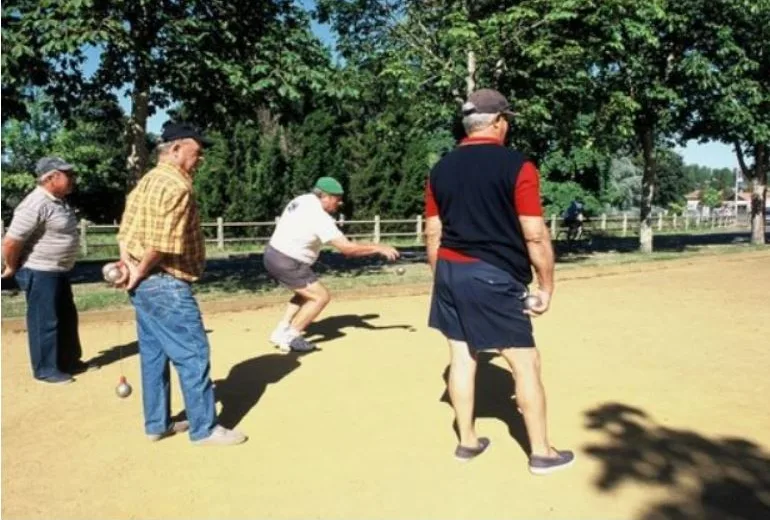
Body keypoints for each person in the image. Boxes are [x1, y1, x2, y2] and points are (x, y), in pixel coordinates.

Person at [424, 88, 574, 474]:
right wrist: (546, 286)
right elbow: (535, 233)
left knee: (461, 356)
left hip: (450, 270)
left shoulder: (440, 169)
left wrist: (440, 276)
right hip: (492, 274)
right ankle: (541, 453)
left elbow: (432, 232)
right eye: (507, 118)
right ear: (498, 122)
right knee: (526, 362)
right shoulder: (517, 165)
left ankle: (468, 442)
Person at [116, 122, 246, 445]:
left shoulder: (146, 181)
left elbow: (125, 231)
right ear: (175, 149)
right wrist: (141, 271)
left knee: (154, 355)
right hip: (164, 282)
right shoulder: (178, 186)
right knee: (193, 352)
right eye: (196, 152)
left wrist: (127, 268)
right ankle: (204, 428)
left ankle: (157, 424)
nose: (200, 159)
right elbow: (161, 244)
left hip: (142, 282)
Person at [264, 177, 399, 352]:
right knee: (320, 297)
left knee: (305, 293)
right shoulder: (320, 217)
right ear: (325, 196)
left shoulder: (302, 200)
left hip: (272, 254)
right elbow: (347, 249)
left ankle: (281, 330)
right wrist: (378, 247)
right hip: (288, 261)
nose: (340, 203)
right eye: (337, 198)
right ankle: (290, 336)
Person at [1, 157, 95, 384]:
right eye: (67, 175)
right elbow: (12, 241)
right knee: (45, 320)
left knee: (65, 317)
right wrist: (12, 266)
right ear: (51, 177)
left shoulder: (58, 201)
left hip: (59, 270)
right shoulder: (35, 203)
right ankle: (45, 369)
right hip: (40, 270)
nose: (73, 179)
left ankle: (69, 361)